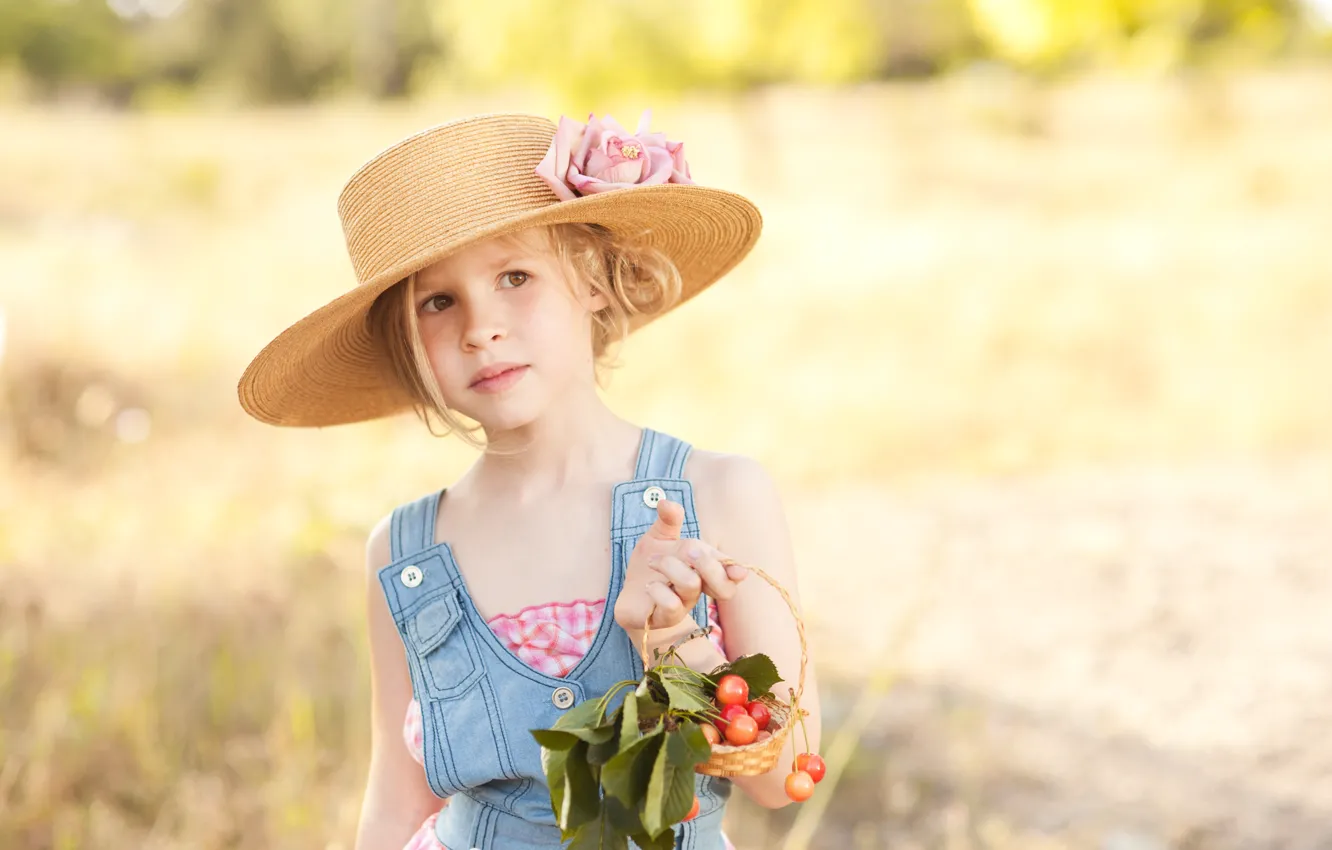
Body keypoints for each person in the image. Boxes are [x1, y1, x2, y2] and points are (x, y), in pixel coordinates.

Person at [238, 110, 822, 850]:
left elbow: (784, 776)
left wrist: (676, 638)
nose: (479, 329)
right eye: (437, 302)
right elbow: (395, 802)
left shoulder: (720, 495)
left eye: (515, 277)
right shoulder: (406, 553)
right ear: (406, 340)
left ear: (593, 280)